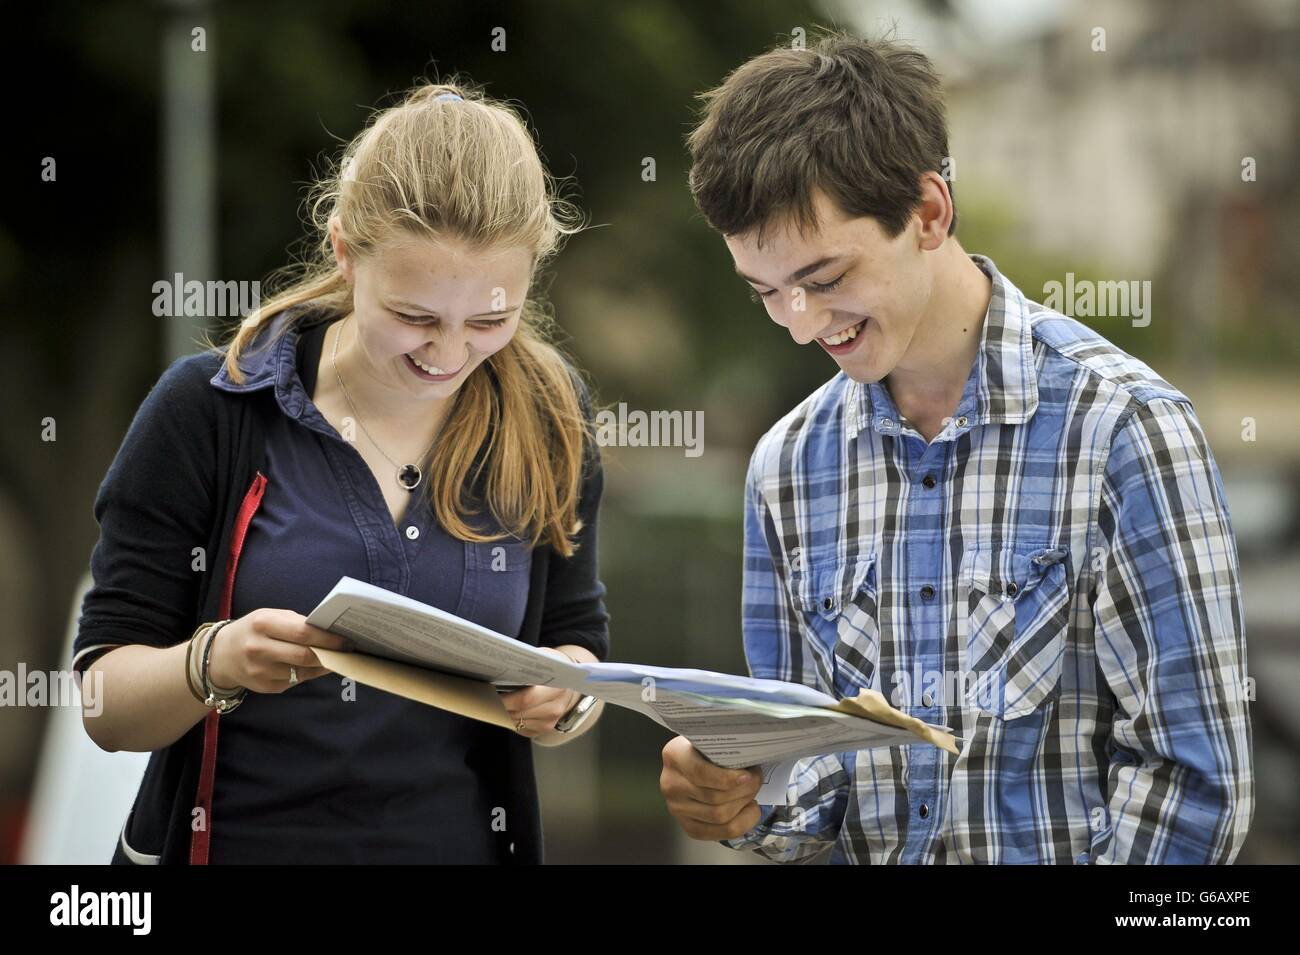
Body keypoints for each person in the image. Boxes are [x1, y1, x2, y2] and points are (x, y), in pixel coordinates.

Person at [659, 32, 1253, 864]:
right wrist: (736, 797)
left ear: (929, 212)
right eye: (767, 292)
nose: (799, 322)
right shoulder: (786, 468)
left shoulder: (1126, 430)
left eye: (825, 279)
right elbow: (810, 793)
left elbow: (1196, 789)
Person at [73, 80, 609, 864]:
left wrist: (567, 694)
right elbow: (102, 705)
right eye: (415, 316)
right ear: (345, 253)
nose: (448, 354)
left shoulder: (554, 414)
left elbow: (578, 642)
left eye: (491, 321)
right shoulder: (208, 410)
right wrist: (212, 661)